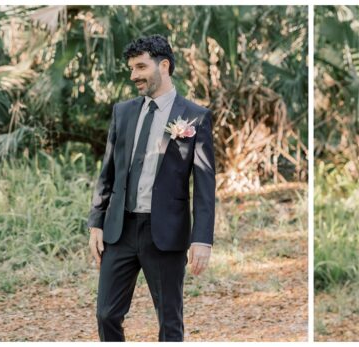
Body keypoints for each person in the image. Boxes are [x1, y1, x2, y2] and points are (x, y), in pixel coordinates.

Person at [87, 35, 216, 342]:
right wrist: (96, 222)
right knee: (106, 314)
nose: (134, 76)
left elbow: (205, 184)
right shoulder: (123, 112)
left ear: (164, 65)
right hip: (120, 229)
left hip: (166, 233)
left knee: (169, 321)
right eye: (131, 68)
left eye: (141, 67)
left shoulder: (195, 117)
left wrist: (202, 239)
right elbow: (108, 171)